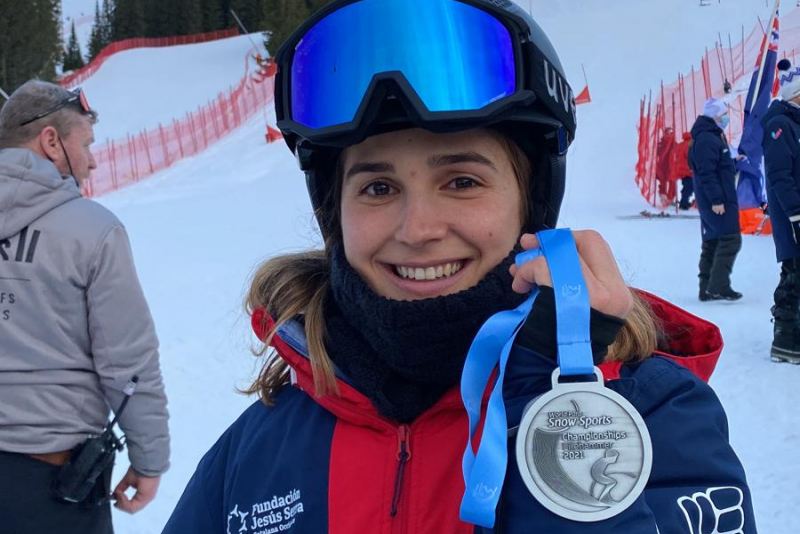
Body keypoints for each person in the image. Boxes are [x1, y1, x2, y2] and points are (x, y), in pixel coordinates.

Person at [163, 1, 756, 532]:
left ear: (531, 203)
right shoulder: (256, 450)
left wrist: (556, 415)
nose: (417, 229)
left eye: (462, 181)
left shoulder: (651, 417)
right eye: (376, 188)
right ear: (334, 213)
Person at [0, 81, 169, 532]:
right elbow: (127, 362)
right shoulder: (91, 231)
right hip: (50, 481)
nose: (93, 160)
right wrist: (149, 458)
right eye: (86, 144)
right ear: (51, 142)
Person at [761, 59, 800, 363]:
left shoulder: (793, 123)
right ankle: (785, 342)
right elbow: (779, 175)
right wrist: (796, 213)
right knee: (794, 275)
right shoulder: (780, 125)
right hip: (792, 217)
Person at [688, 98, 743, 301]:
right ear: (714, 116)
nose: (725, 118)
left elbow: (715, 166)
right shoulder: (707, 139)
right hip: (718, 199)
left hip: (718, 196)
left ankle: (707, 287)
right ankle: (718, 285)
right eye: (723, 115)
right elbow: (706, 173)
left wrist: (731, 162)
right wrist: (716, 200)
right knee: (730, 240)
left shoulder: (710, 136)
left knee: (712, 241)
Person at [673, 131, 695, 210]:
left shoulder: (680, 145)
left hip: (680, 169)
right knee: (689, 187)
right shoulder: (689, 146)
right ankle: (684, 203)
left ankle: (684, 202)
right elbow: (690, 157)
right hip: (687, 170)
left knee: (687, 187)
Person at [655, 126, 677, 207]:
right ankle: (663, 196)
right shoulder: (661, 144)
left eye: (670, 134)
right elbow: (656, 154)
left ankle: (670, 198)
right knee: (663, 181)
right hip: (662, 165)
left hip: (672, 166)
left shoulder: (674, 144)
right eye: (668, 133)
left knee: (672, 181)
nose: (669, 135)